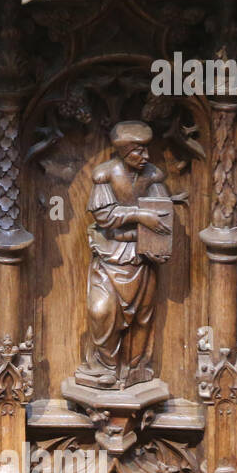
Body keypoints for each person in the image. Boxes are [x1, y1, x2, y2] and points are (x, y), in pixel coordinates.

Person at [76, 121, 171, 389]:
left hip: (142, 255)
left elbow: (163, 213)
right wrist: (140, 214)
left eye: (146, 151)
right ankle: (105, 367)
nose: (145, 157)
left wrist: (160, 240)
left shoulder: (153, 176)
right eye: (138, 152)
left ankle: (134, 368)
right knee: (101, 311)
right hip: (110, 254)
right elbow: (104, 215)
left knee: (142, 316)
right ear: (123, 152)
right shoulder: (105, 175)